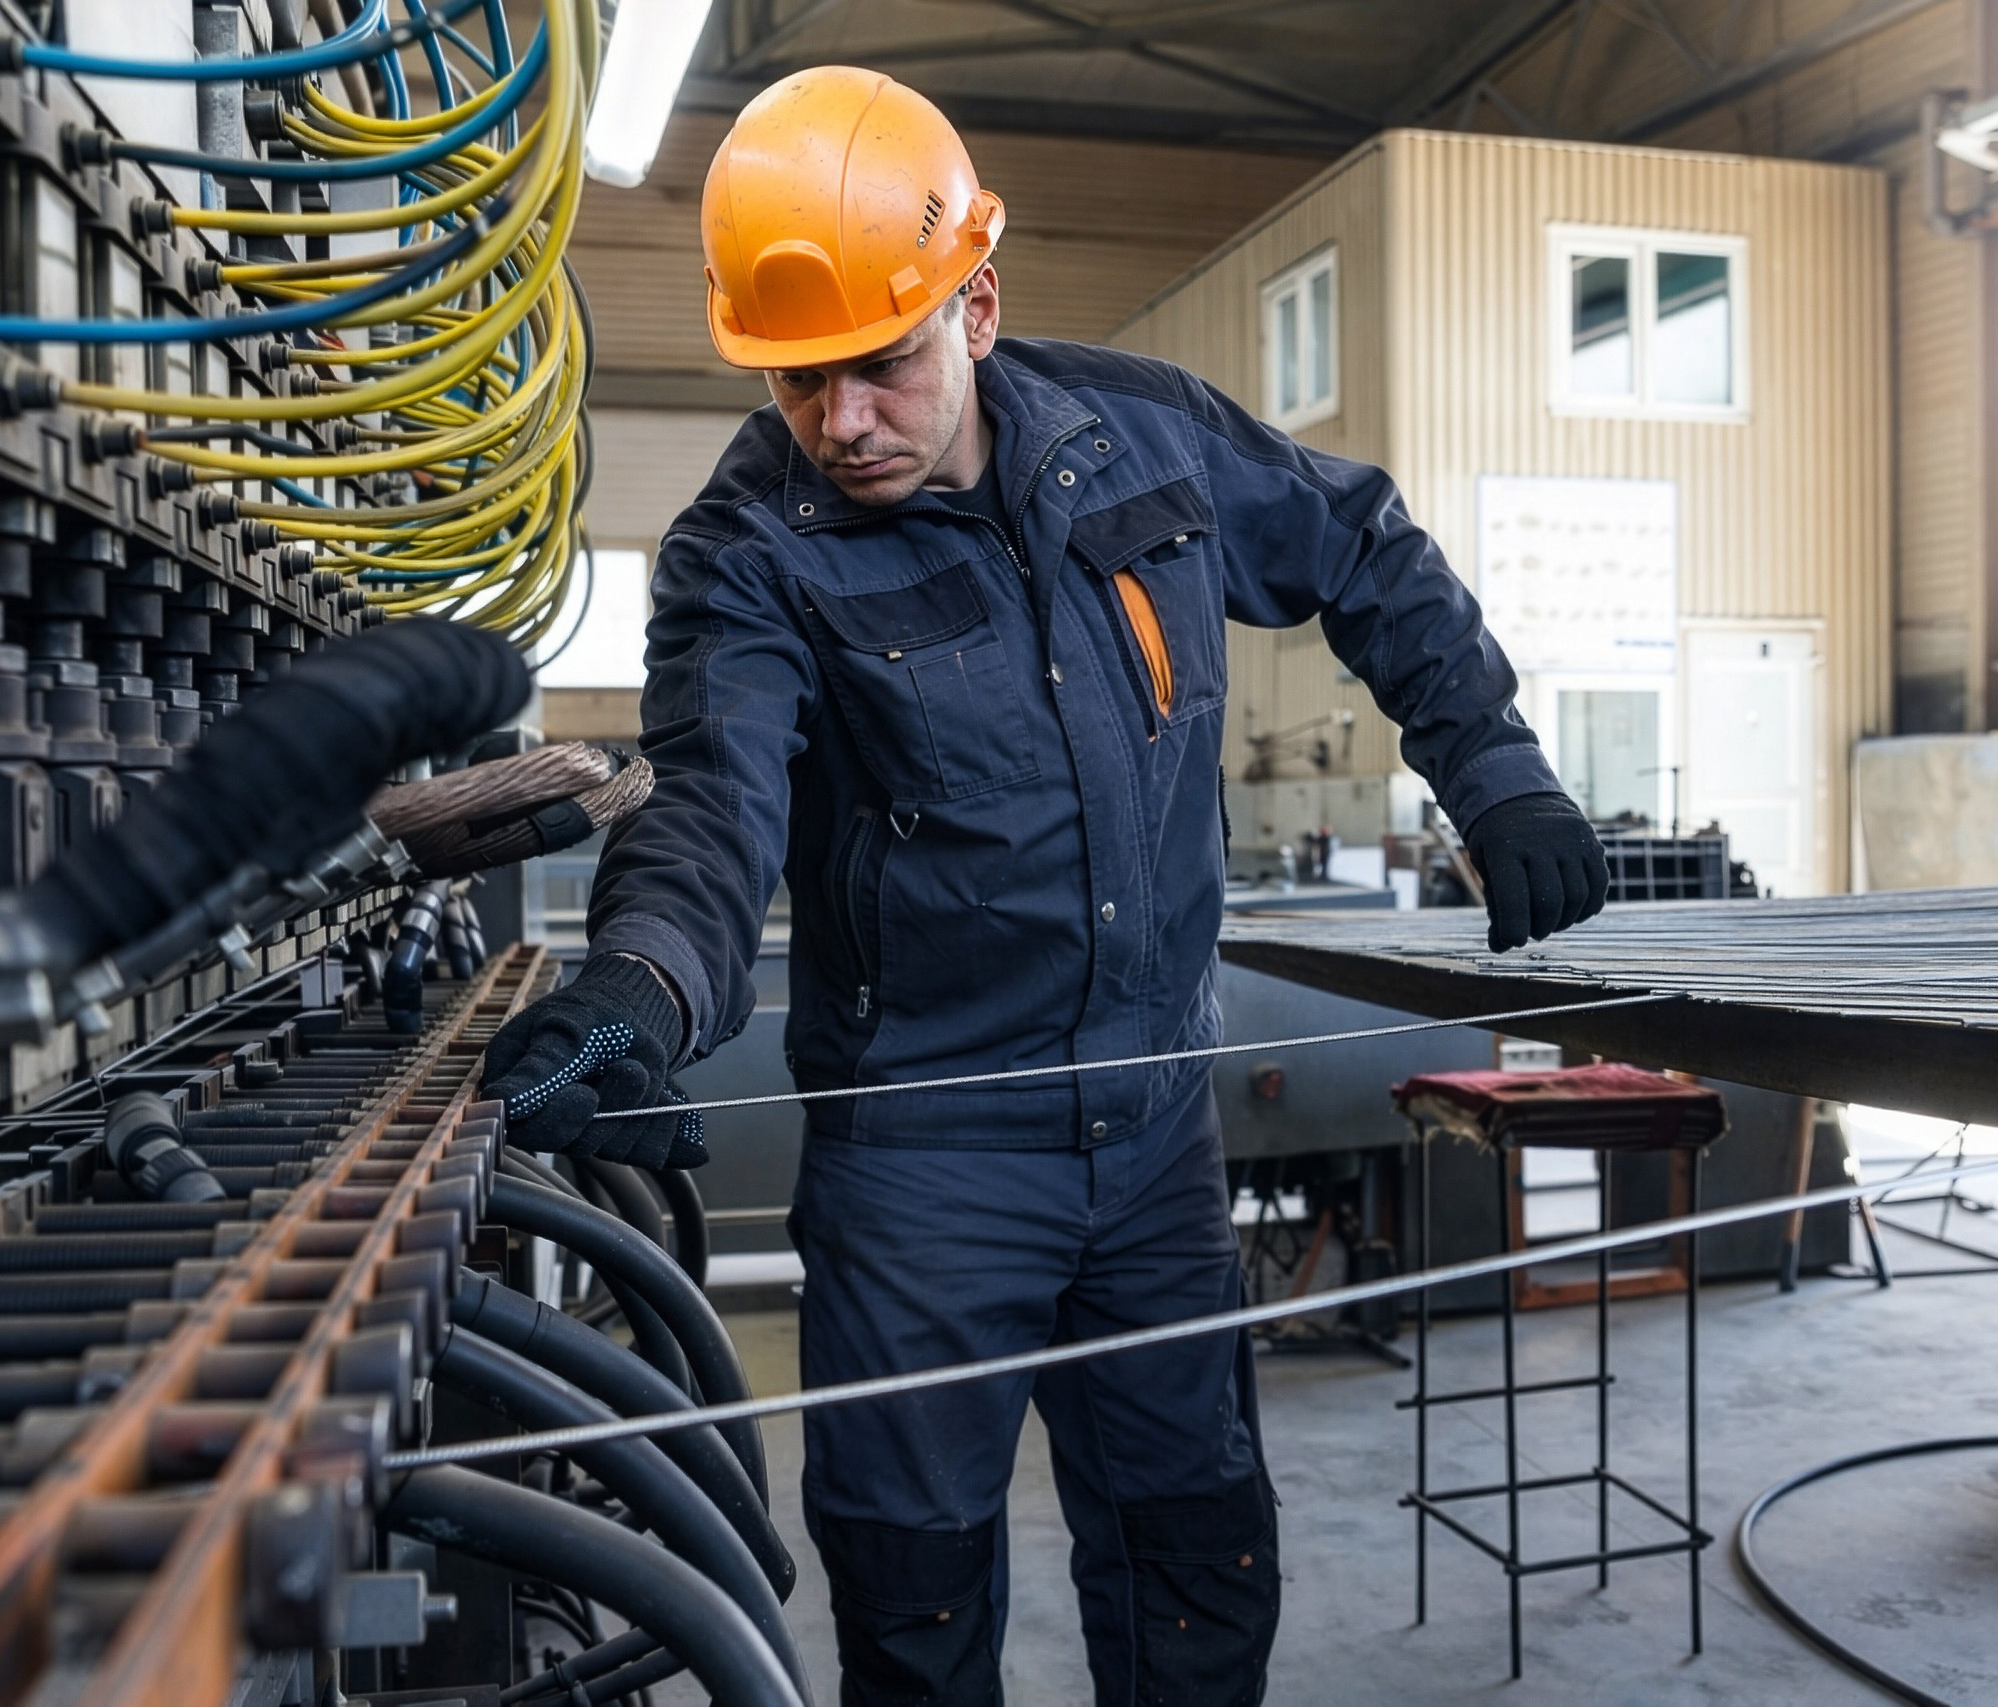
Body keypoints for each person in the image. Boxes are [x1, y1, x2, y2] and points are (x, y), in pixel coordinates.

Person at [480, 66, 1609, 1707]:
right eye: (801, 382)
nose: (841, 421)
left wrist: (1492, 768)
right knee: (914, 1591)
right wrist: (641, 987)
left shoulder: (1143, 439)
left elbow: (1362, 544)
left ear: (978, 303)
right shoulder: (751, 553)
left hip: (1157, 1144)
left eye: (880, 363)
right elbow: (713, 800)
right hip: (927, 1169)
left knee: (1196, 1548)